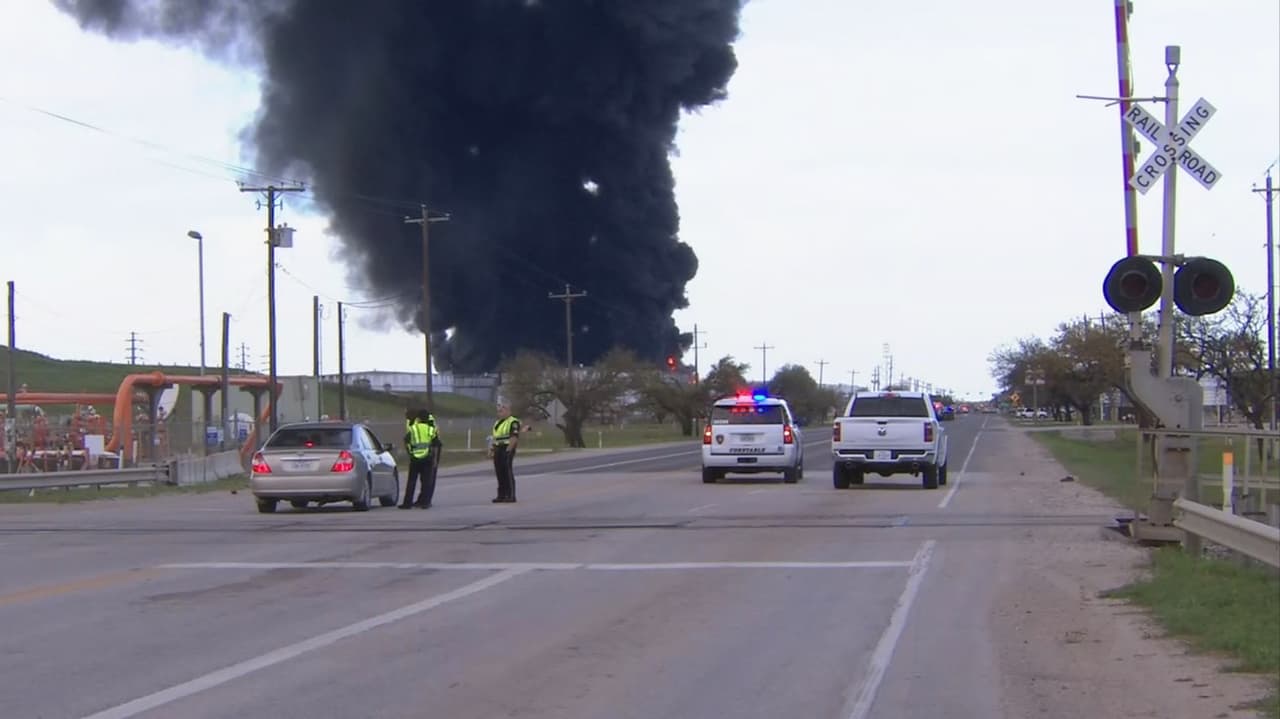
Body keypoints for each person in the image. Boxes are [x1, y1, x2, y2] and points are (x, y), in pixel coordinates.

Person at [399, 410, 436, 509]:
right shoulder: (430, 429)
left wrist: (410, 452)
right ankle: (425, 502)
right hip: (427, 458)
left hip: (415, 458)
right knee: (426, 481)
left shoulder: (413, 429)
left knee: (411, 481)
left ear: (418, 419)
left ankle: (407, 503)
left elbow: (406, 440)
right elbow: (436, 442)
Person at [488, 402, 521, 503]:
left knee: (507, 471)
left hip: (507, 448)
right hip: (498, 449)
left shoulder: (513, 422)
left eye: (501, 411)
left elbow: (514, 437)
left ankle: (511, 495)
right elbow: (495, 438)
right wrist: (491, 450)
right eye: (498, 411)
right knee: (499, 472)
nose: (499, 413)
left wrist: (508, 451)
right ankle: (501, 495)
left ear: (508, 411)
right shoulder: (497, 423)